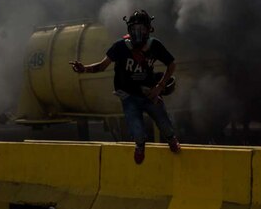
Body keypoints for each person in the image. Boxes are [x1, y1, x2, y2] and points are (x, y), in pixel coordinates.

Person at [69, 10, 180, 164]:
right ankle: (140, 146)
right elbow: (102, 66)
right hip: (129, 97)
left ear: (149, 29)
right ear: (129, 30)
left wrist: (160, 87)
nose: (138, 33)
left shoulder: (155, 46)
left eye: (142, 28)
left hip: (149, 94)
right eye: (135, 29)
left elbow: (172, 64)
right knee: (138, 134)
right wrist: (84, 69)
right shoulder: (120, 47)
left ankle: (171, 139)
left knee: (166, 127)